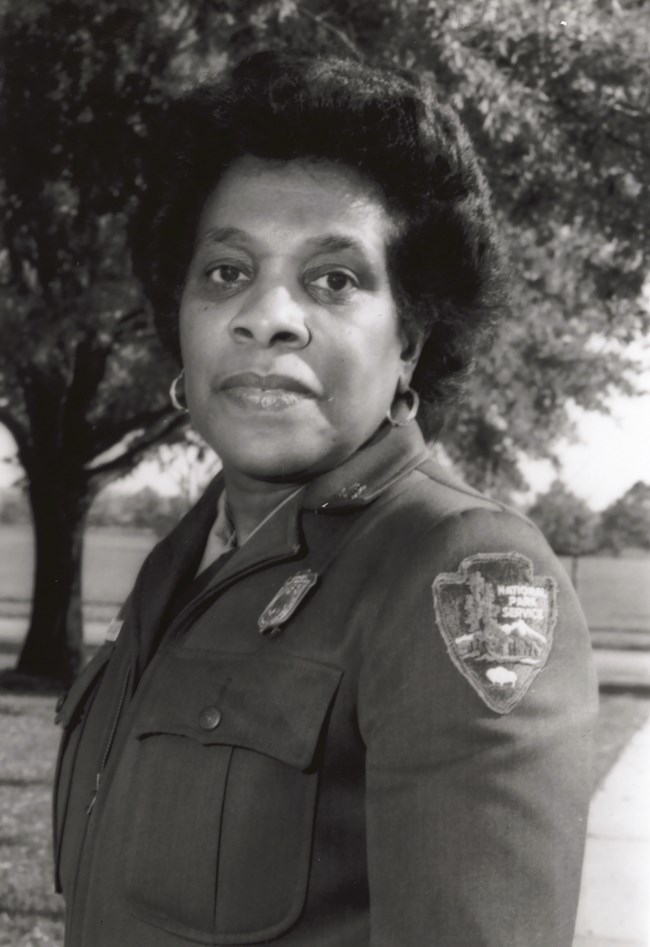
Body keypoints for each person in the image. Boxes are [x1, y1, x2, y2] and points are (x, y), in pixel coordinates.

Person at [53, 51, 597, 947]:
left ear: (412, 339)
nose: (267, 315)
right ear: (180, 318)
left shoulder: (462, 571)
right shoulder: (180, 561)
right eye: (225, 270)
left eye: (334, 279)